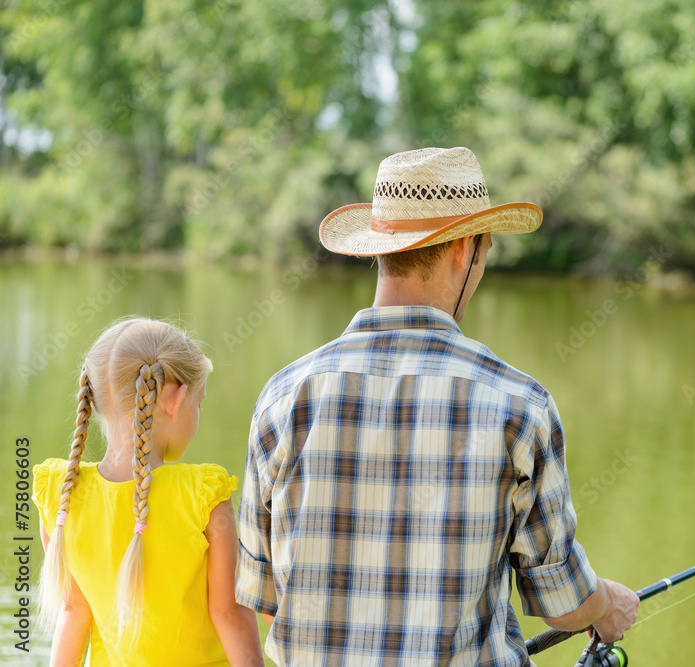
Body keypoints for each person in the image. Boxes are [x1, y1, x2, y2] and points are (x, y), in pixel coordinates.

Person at [236, 147, 639, 666]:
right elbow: (561, 603)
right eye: (487, 247)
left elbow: (266, 597)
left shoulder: (283, 397)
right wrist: (605, 603)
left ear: (380, 249)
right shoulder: (518, 405)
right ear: (464, 249)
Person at [32, 317, 264, 667]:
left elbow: (73, 610)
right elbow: (228, 613)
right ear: (175, 399)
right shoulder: (202, 495)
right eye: (198, 402)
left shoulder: (62, 495)